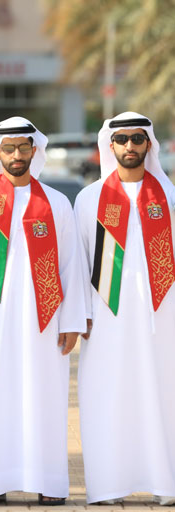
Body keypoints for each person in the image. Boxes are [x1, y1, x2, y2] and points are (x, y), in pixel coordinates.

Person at [0, 117, 87, 506]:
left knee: (43, 398)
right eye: (9, 148)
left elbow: (71, 265)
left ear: (34, 150)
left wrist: (71, 320)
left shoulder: (56, 203)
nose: (17, 155)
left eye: (23, 147)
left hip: (45, 322)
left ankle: (47, 482)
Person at [74, 112, 175, 506]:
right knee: (108, 395)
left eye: (137, 138)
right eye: (122, 139)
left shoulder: (169, 197)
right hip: (105, 319)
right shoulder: (89, 199)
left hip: (163, 319)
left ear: (149, 144)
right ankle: (108, 485)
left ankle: (166, 483)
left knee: (163, 394)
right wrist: (79, 313)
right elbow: (78, 263)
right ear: (110, 144)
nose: (130, 146)